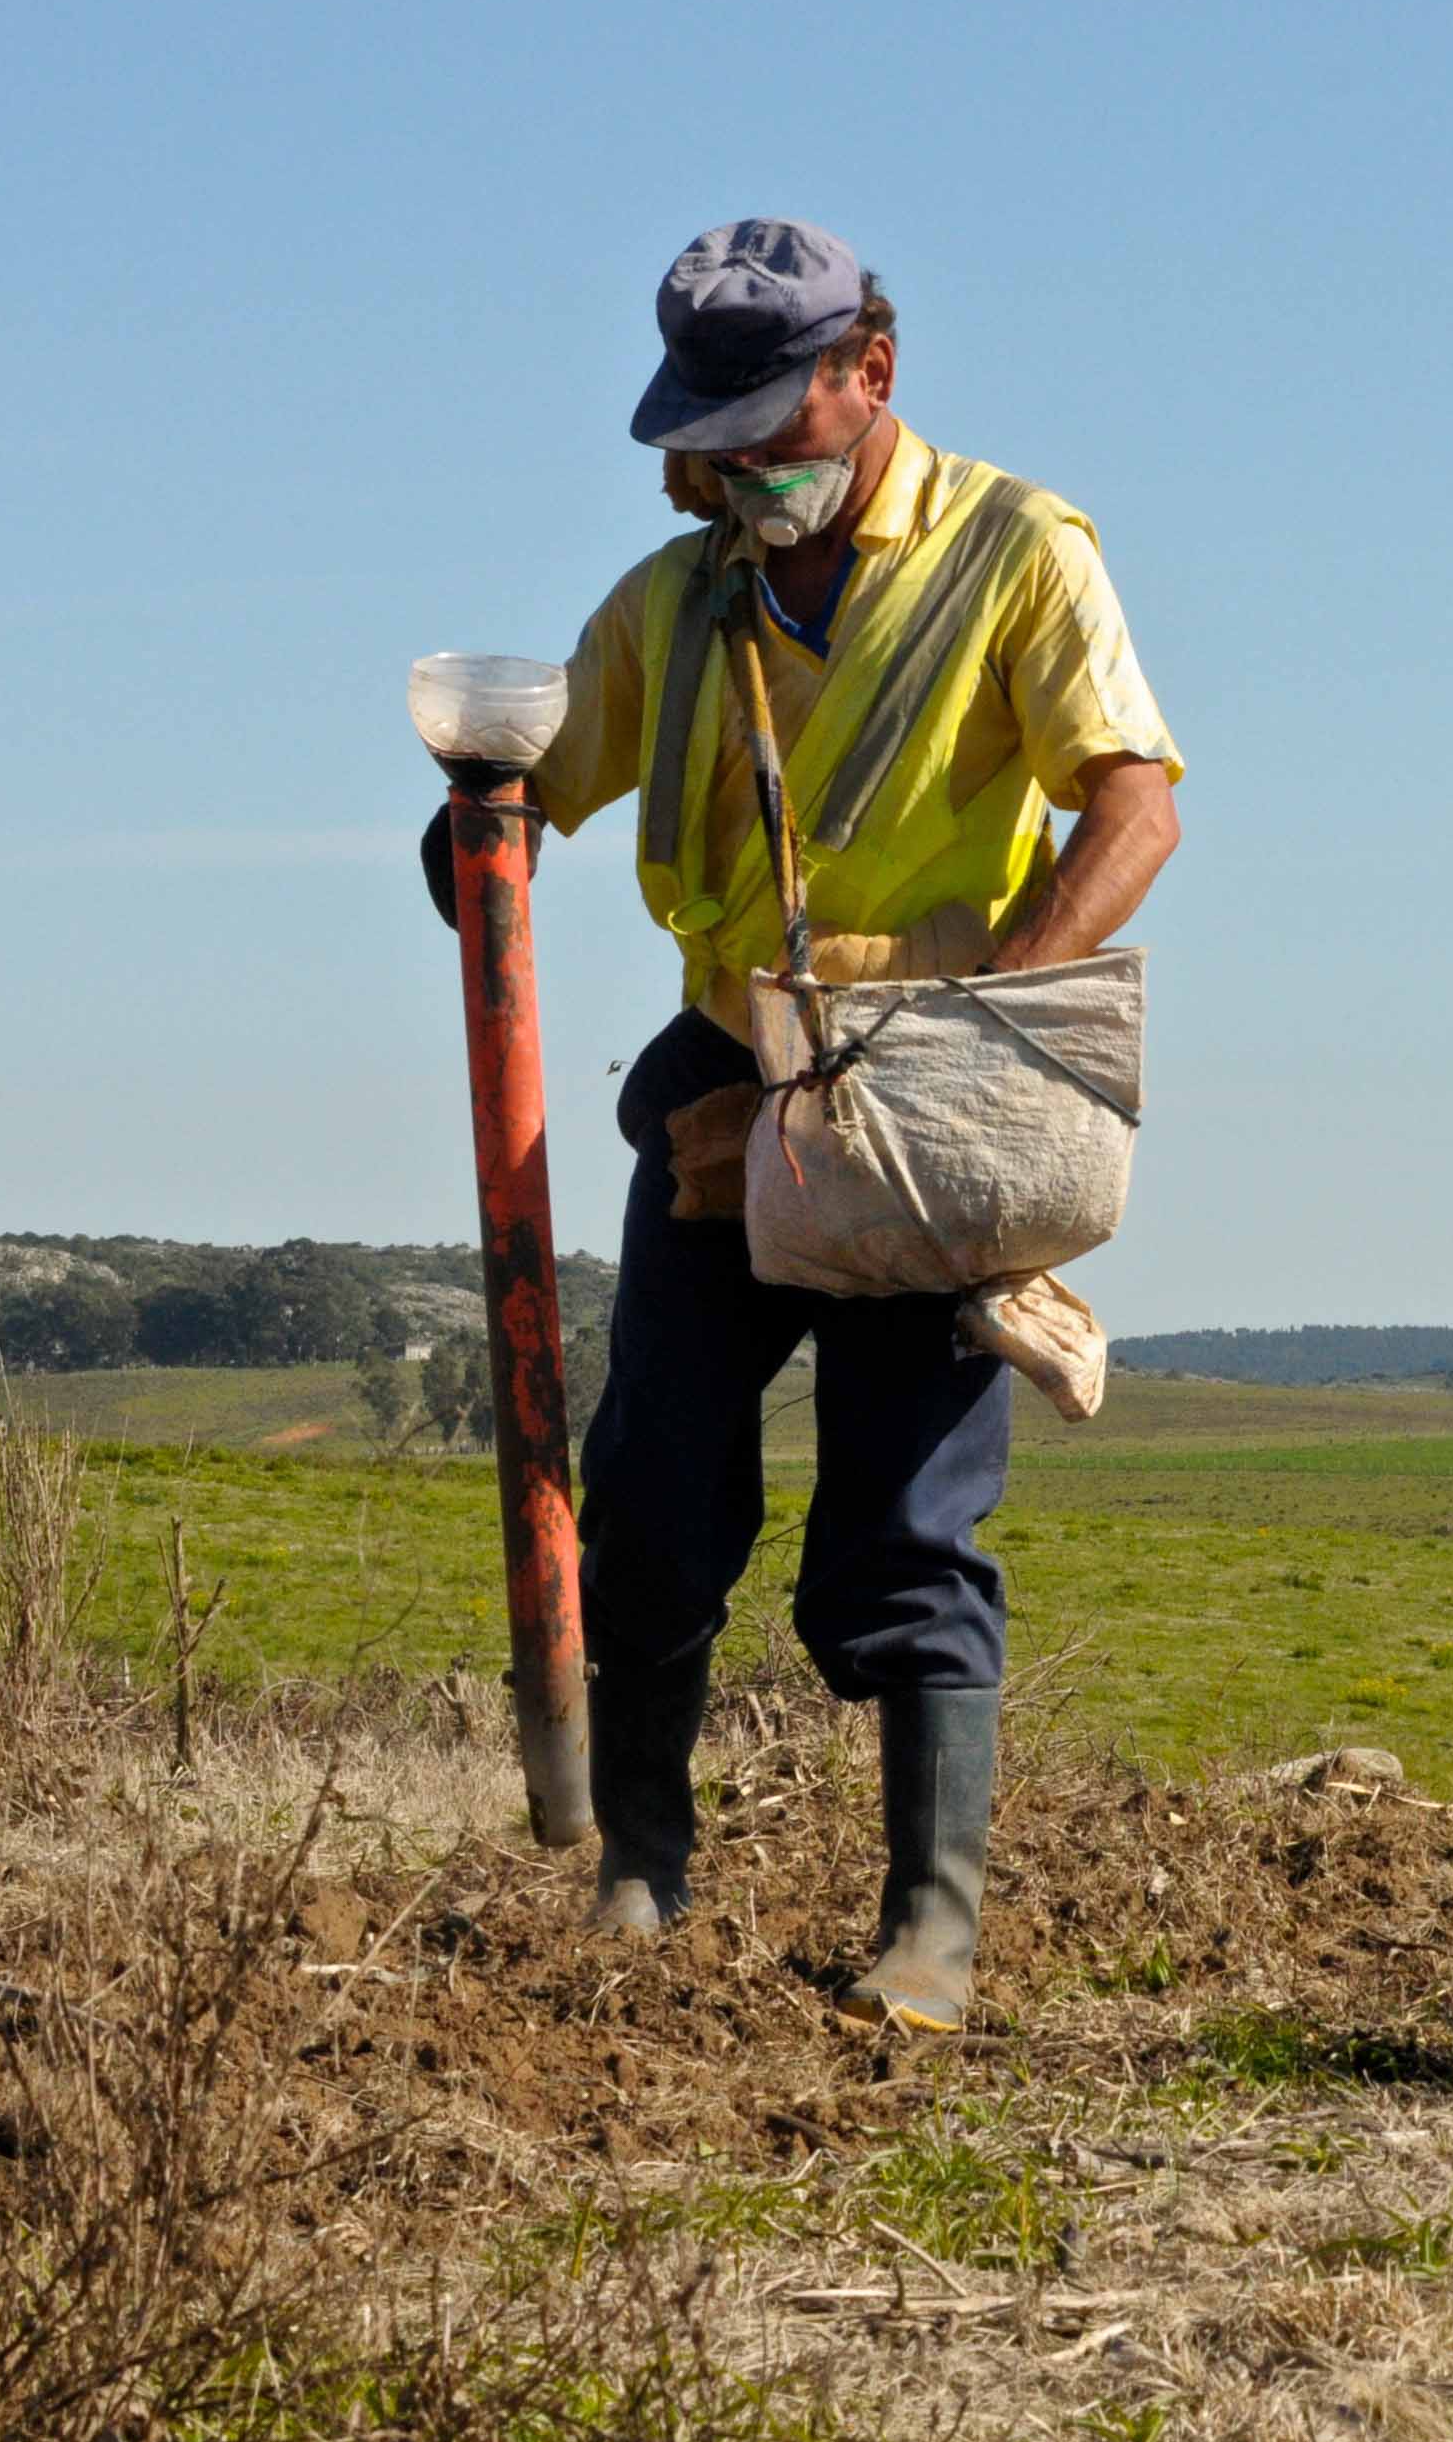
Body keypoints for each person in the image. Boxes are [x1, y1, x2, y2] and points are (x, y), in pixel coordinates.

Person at [425, 219, 1183, 2019]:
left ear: (876, 377)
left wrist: (976, 1029)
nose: (741, 467)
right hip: (724, 1082)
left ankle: (928, 1929)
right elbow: (530, 810)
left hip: (928, 1091)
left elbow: (1132, 811)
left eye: (774, 423)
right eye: (716, 432)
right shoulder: (670, 604)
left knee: (906, 1525)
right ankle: (639, 1870)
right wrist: (477, 834)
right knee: (655, 1493)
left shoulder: (1019, 550)